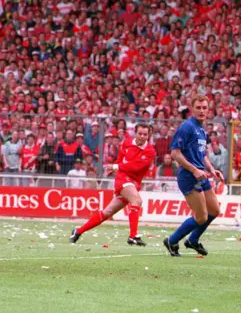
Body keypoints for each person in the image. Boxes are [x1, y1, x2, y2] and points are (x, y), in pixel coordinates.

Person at [70, 124, 156, 246]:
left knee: (107, 212)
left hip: (134, 182)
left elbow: (136, 167)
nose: (142, 136)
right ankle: (133, 236)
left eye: (145, 134)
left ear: (149, 135)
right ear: (135, 133)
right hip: (122, 179)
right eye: (140, 133)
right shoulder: (126, 142)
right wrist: (116, 166)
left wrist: (116, 166)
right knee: (137, 201)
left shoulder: (150, 151)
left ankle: (78, 231)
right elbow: (121, 158)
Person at [163, 95, 224, 257]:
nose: (202, 110)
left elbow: (202, 154)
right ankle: (172, 240)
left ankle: (193, 240)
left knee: (214, 210)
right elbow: (175, 153)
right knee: (201, 217)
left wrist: (211, 169)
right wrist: (194, 170)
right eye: (198, 107)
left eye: (204, 108)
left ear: (208, 110)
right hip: (189, 176)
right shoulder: (187, 126)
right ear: (192, 108)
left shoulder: (202, 129)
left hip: (201, 175)